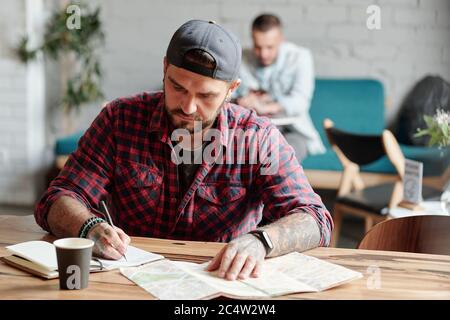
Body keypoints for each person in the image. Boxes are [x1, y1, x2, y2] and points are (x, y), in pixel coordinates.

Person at [34, 20, 333, 281]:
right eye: (177, 87)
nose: (188, 107)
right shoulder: (119, 120)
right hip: (129, 278)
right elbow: (57, 199)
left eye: (205, 95)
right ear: (165, 68)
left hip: (221, 282)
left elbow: (315, 219)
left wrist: (262, 241)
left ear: (232, 89)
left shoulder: (259, 137)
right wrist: (89, 226)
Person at [234, 14, 326, 160]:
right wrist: (241, 101)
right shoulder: (241, 58)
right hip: (252, 131)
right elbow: (229, 95)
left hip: (292, 131)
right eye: (258, 47)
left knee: (281, 157)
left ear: (281, 40)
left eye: (270, 47)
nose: (263, 54)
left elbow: (300, 102)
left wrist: (266, 108)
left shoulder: (300, 57)